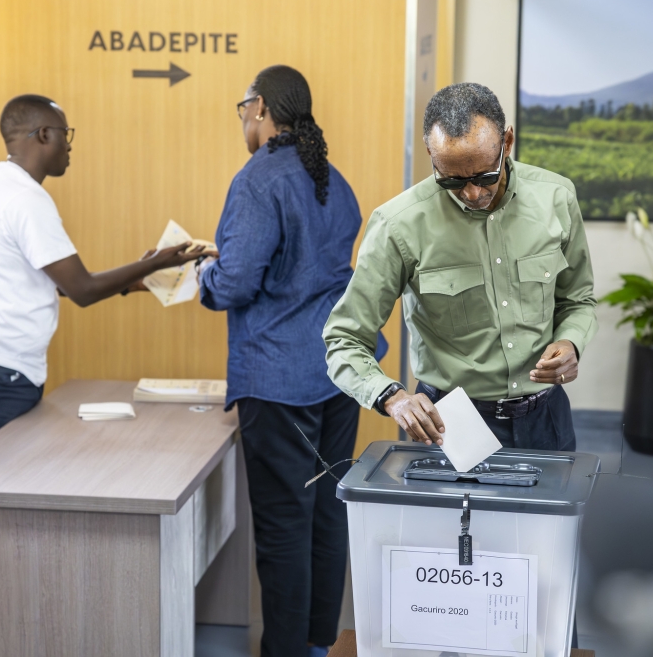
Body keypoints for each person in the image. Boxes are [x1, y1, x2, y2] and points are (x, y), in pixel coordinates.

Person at [323, 82, 598, 452]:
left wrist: (571, 343)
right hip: (451, 426)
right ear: (430, 154)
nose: (471, 193)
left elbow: (578, 300)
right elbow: (344, 338)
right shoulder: (398, 224)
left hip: (547, 419)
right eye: (452, 179)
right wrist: (391, 396)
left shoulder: (557, 198)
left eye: (484, 176)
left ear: (508, 142)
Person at [0, 94, 211, 454]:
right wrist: (157, 262)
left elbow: (46, 279)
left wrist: (133, 282)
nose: (70, 146)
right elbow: (82, 290)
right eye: (67, 134)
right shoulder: (27, 201)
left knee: (3, 481)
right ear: (45, 134)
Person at [196, 65, 362, 657]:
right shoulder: (331, 179)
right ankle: (317, 645)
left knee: (284, 527)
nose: (242, 116)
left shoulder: (257, 179)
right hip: (339, 375)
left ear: (260, 107)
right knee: (325, 514)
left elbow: (236, 284)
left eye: (243, 106)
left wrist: (204, 274)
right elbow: (311, 267)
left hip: (280, 380)